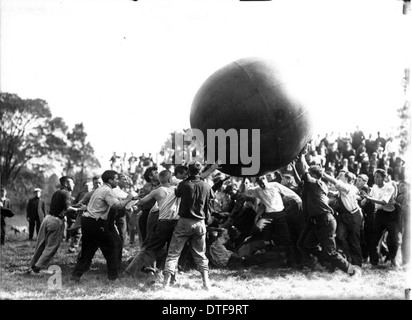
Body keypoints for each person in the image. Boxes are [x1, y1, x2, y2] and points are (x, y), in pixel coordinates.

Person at [294, 146, 362, 276]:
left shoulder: (316, 184)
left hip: (325, 220)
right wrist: (295, 167)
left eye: (309, 174)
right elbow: (301, 178)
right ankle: (321, 265)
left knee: (330, 252)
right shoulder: (311, 185)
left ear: (314, 176)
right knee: (304, 244)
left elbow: (305, 172)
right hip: (317, 221)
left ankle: (351, 270)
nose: (306, 176)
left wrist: (302, 155)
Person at [70, 170, 135, 282]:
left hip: (88, 221)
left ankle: (75, 277)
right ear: (110, 180)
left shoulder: (99, 189)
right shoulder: (107, 191)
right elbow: (117, 205)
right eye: (116, 179)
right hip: (96, 223)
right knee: (112, 249)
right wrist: (129, 198)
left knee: (87, 251)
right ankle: (113, 279)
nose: (117, 181)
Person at [163, 161, 214, 290]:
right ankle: (206, 283)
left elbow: (177, 194)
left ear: (188, 171)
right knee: (200, 254)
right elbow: (210, 203)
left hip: (184, 221)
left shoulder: (183, 184)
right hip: (200, 222)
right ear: (200, 171)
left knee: (173, 254)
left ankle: (166, 284)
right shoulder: (207, 186)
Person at [125, 169, 181, 285]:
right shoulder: (177, 190)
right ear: (170, 179)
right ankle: (172, 277)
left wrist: (132, 200)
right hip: (174, 223)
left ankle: (130, 271)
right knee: (172, 251)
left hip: (161, 223)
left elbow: (142, 202)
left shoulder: (157, 191)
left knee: (149, 248)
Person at [238, 175, 303, 267]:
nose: (262, 183)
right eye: (260, 182)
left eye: (263, 180)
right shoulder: (257, 190)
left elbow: (287, 192)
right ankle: (264, 259)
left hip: (280, 214)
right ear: (257, 183)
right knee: (263, 236)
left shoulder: (275, 185)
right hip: (268, 215)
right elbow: (243, 192)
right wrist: (244, 179)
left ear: (266, 179)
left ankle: (291, 261)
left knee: (286, 238)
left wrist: (298, 200)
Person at [28, 176, 80, 273]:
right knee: (52, 247)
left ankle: (33, 264)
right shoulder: (66, 193)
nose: (74, 184)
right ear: (65, 184)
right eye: (71, 183)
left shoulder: (57, 193)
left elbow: (62, 206)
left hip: (47, 219)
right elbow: (68, 209)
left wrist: (75, 207)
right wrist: (80, 210)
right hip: (56, 221)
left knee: (40, 244)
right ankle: (37, 267)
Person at [361, 168, 400, 268]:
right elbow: (370, 196)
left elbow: (384, 202)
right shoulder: (374, 187)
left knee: (393, 239)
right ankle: (374, 263)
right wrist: (365, 200)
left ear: (384, 178)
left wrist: (368, 198)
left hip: (391, 214)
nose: (375, 179)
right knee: (373, 239)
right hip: (379, 214)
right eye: (374, 177)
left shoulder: (389, 187)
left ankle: (393, 260)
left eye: (378, 177)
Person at [322, 170, 363, 267]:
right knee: (340, 237)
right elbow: (339, 193)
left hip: (353, 216)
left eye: (341, 175)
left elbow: (338, 184)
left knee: (354, 240)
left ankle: (357, 264)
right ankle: (348, 258)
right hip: (345, 216)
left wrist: (323, 173)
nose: (338, 176)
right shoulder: (342, 190)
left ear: (346, 179)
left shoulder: (349, 187)